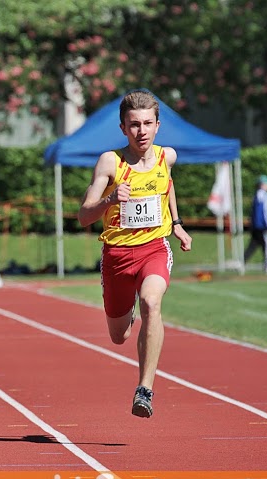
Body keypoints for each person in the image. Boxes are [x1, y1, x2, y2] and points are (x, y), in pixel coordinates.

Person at [77, 90, 192, 419]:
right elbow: (84, 216)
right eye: (134, 125)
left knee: (152, 302)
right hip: (117, 255)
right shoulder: (110, 162)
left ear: (157, 125)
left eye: (147, 124)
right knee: (119, 336)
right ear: (123, 128)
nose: (141, 131)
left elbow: (167, 185)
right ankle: (127, 316)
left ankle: (145, 389)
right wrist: (110, 199)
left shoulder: (167, 157)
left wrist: (177, 224)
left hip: (154, 248)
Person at [244, 175, 267, 275]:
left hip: (255, 226)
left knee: (253, 245)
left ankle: (242, 263)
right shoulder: (266, 196)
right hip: (263, 226)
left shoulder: (255, 195)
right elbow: (266, 212)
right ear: (263, 185)